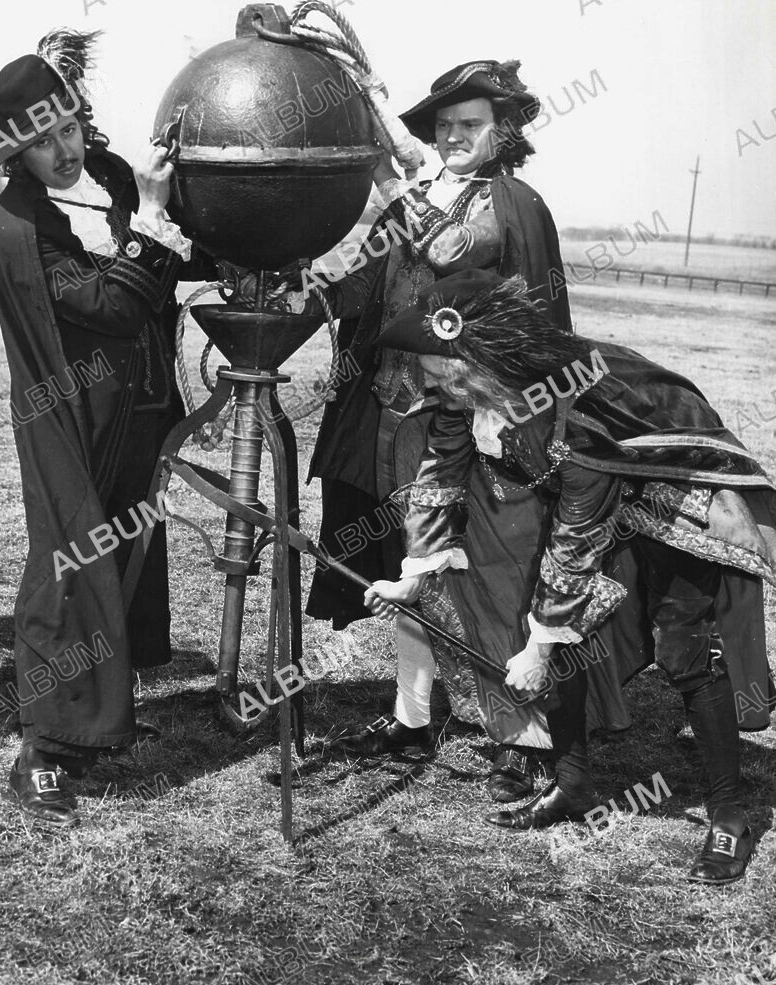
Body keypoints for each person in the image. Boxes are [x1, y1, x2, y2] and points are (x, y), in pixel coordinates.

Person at [365, 269, 775, 885]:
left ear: (471, 357)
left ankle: (731, 813)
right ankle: (574, 784)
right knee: (565, 635)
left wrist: (538, 642)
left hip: (675, 499)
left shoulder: (577, 406)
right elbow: (439, 476)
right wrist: (415, 573)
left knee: (683, 646)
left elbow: (574, 539)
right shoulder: (466, 397)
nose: (423, 380)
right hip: (603, 499)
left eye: (432, 369)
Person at [301, 59, 587, 796]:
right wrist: (301, 294)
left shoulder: (513, 202)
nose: (454, 137)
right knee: (411, 568)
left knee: (494, 577)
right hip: (400, 411)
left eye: (471, 125)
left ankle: (524, 740)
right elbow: (374, 277)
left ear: (504, 133)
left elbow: (467, 266)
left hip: (481, 417)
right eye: (444, 127)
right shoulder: (419, 194)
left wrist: (526, 417)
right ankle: (411, 716)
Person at [0, 31, 207, 829]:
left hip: (135, 412)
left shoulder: (111, 181)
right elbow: (110, 302)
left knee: (128, 555)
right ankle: (42, 744)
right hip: (68, 419)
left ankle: (100, 721)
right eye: (42, 143)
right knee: (68, 563)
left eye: (69, 128)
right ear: (15, 153)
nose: (63, 150)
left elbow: (163, 269)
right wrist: (148, 226)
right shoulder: (19, 229)